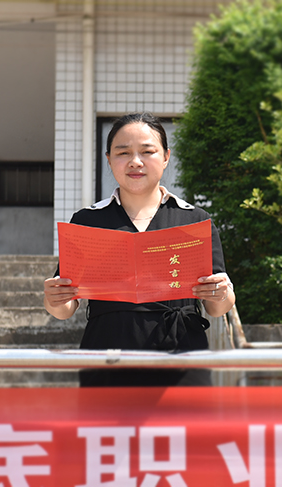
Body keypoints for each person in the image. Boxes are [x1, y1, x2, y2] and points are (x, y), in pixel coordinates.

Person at [44, 112, 235, 386]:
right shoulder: (87, 221)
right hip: (106, 360)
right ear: (108, 159)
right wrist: (54, 299)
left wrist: (222, 293)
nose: (135, 161)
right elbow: (64, 308)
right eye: (123, 153)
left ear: (166, 157)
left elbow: (217, 308)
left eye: (147, 151)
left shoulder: (194, 221)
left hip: (182, 361)